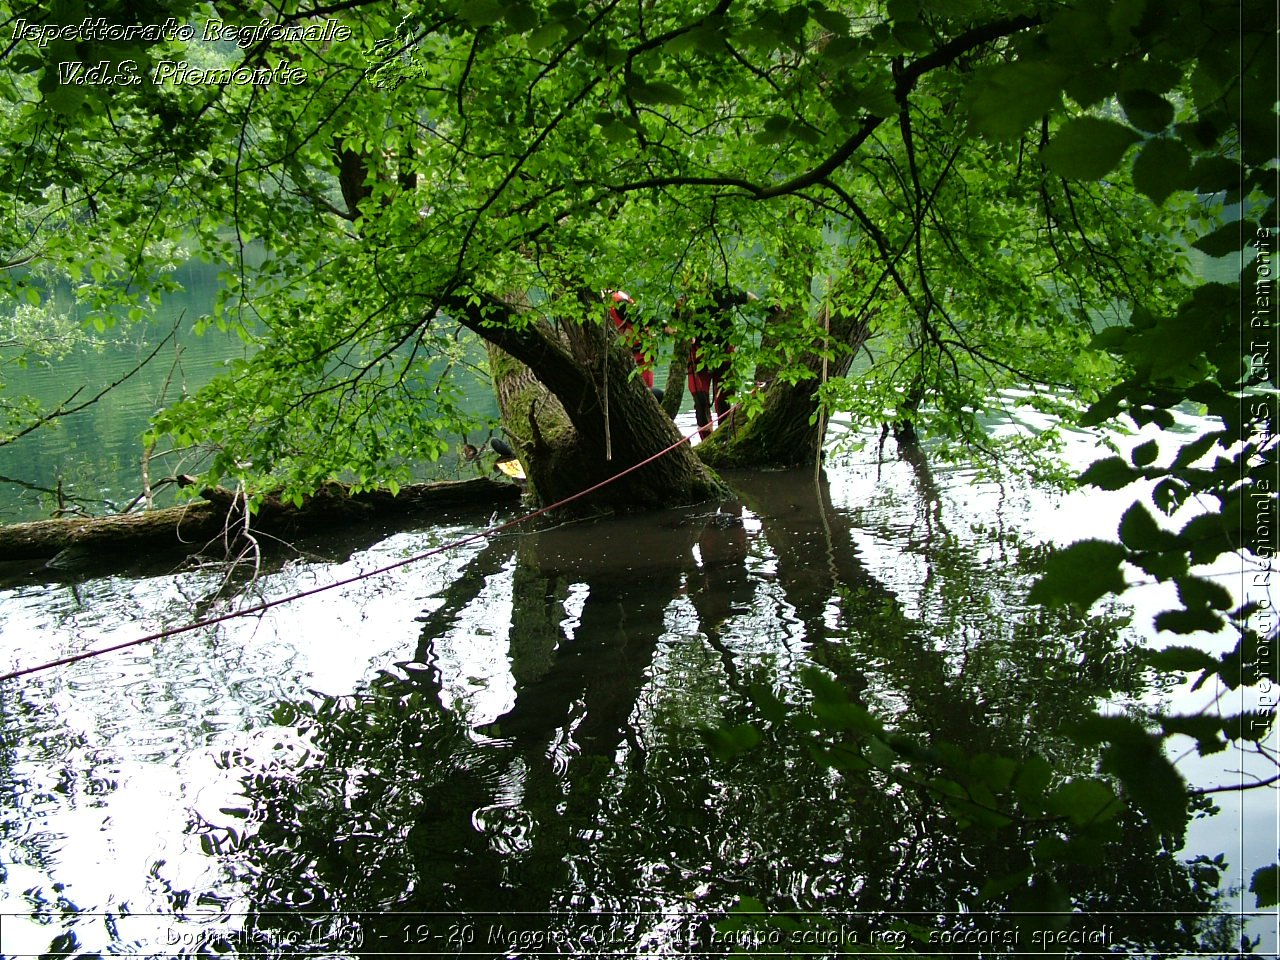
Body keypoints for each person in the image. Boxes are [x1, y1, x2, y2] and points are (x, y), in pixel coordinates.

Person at [681, 288, 754, 438]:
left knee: (724, 401)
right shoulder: (688, 299)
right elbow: (673, 322)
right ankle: (707, 441)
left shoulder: (723, 290)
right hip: (699, 354)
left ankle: (724, 438)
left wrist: (768, 305)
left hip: (724, 351)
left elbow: (747, 297)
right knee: (700, 401)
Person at [605, 289, 655, 389]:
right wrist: (664, 325)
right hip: (639, 355)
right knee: (647, 390)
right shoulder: (620, 302)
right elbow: (641, 318)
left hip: (630, 354)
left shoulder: (607, 302)